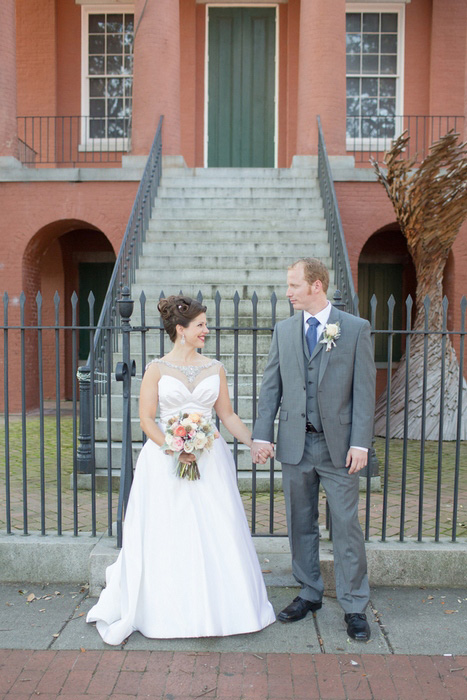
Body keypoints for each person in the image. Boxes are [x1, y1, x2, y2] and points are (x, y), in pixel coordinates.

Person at [87, 295, 275, 645]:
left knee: (217, 527)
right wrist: (173, 447)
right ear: (181, 330)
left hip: (210, 458)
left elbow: (227, 416)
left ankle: (226, 608)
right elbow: (146, 418)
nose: (207, 330)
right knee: (170, 530)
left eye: (206, 324)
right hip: (164, 460)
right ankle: (169, 610)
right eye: (201, 325)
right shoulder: (156, 369)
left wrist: (253, 443)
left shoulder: (215, 368)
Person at [251, 258, 376, 641]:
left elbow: (364, 392)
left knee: (346, 526)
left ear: (316, 285)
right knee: (300, 523)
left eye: (294, 285)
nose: (287, 292)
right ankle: (309, 592)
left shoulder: (354, 329)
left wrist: (360, 443)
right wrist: (261, 435)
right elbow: (271, 386)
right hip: (295, 444)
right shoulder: (284, 330)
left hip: (339, 448)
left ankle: (354, 604)